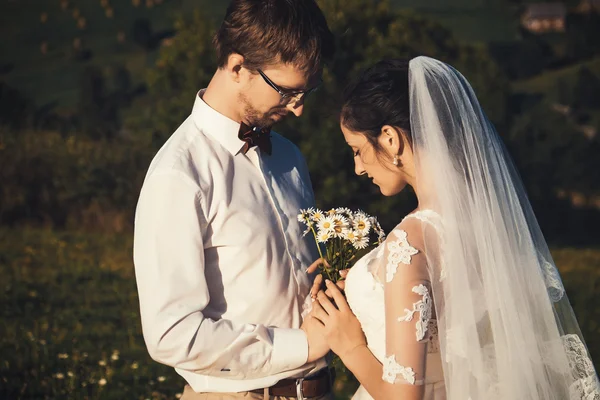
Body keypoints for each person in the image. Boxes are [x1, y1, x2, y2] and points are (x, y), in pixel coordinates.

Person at [303, 56, 599, 399]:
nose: (357, 168)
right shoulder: (488, 226)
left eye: (357, 150)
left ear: (389, 139)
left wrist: (349, 345)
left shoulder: (411, 243)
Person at [132, 1, 335, 398]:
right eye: (288, 91)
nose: (299, 108)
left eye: (307, 91)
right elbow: (172, 334)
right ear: (238, 66)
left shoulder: (291, 157)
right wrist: (303, 346)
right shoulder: (179, 174)